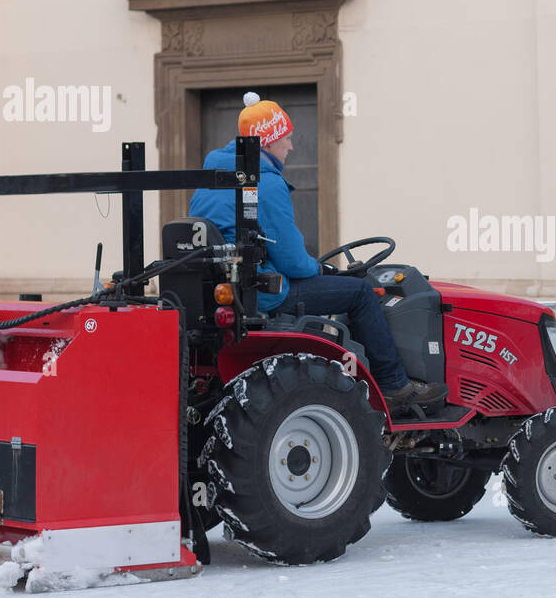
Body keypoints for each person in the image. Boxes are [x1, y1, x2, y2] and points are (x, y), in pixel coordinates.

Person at [189, 92, 446, 414]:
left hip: (228, 288)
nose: (292, 147)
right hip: (264, 293)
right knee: (361, 293)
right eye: (287, 138)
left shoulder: (214, 176)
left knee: (340, 290)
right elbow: (293, 262)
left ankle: (354, 369)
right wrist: (319, 268)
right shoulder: (265, 184)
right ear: (268, 142)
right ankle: (395, 385)